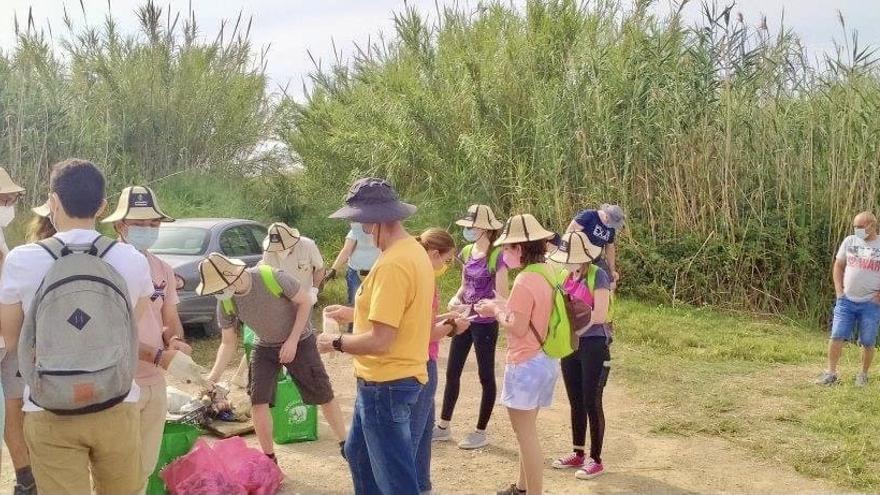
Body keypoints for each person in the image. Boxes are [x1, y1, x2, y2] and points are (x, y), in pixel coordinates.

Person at [0, 159, 153, 494]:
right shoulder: (132, 260)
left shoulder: (21, 261)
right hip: (116, 402)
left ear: (53, 202)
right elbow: (130, 329)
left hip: (49, 407)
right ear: (102, 206)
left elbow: (13, 340)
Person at [317, 178, 434, 495]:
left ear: (374, 219)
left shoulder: (394, 264)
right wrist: (353, 314)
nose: (360, 228)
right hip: (390, 380)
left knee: (396, 483)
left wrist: (335, 342)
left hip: (387, 384)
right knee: (358, 455)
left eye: (360, 221)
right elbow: (400, 314)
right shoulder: (412, 252)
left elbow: (381, 341)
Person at [200, 252, 348, 462]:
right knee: (257, 400)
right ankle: (269, 459)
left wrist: (292, 341)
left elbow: (305, 302)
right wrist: (212, 378)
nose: (219, 293)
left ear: (231, 275)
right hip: (265, 345)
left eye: (219, 287)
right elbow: (228, 342)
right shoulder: (225, 302)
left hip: (300, 339)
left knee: (323, 393)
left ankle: (346, 444)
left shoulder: (270, 277)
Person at [103, 185, 193, 491]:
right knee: (112, 470)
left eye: (153, 224)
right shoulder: (103, 266)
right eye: (139, 224)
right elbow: (110, 333)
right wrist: (156, 355)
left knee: (144, 468)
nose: (147, 230)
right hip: (116, 383)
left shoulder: (162, 269)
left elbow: (170, 318)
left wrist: (175, 341)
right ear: (120, 225)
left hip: (155, 383)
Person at [474, 214, 559, 495]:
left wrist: (495, 311)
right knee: (527, 432)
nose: (504, 253)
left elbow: (518, 325)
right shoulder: (546, 272)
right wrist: (502, 303)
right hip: (545, 357)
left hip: (524, 362)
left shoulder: (524, 280)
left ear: (519, 248)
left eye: (507, 247)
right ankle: (522, 488)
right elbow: (530, 312)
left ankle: (532, 491)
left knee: (525, 435)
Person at [434, 204, 509, 450]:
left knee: (485, 375)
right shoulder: (467, 250)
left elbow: (502, 295)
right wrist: (456, 299)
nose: (468, 229)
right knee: (452, 371)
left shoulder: (497, 256)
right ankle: (443, 425)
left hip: (485, 323)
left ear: (486, 228)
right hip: (464, 318)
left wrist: (488, 308)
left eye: (473, 225)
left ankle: (480, 431)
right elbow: (464, 283)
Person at [548, 232, 613, 480]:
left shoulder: (599, 275)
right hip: (571, 346)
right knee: (575, 401)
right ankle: (577, 453)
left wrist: (576, 334)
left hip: (595, 344)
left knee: (591, 401)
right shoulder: (566, 277)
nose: (569, 262)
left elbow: (600, 316)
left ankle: (595, 459)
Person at [413, 227, 471, 494]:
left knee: (424, 432)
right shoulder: (423, 280)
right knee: (416, 435)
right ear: (434, 253)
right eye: (446, 260)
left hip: (424, 360)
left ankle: (422, 486)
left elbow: (422, 323)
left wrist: (447, 318)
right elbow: (423, 333)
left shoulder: (417, 275)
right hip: (421, 361)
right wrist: (452, 327)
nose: (446, 266)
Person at [817, 211, 880, 387]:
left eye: (860, 227)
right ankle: (831, 373)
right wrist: (839, 292)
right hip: (846, 300)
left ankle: (863, 375)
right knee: (836, 335)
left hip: (871, 303)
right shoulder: (850, 241)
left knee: (868, 340)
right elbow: (838, 265)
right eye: (855, 226)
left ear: (872, 226)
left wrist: (878, 296)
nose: (856, 230)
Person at [0, 167, 33, 495]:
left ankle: (26, 478)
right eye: (3, 200)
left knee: (15, 408)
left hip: (9, 340)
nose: (8, 205)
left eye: (10, 200)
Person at [327, 221, 380, 331]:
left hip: (377, 272)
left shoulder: (382, 230)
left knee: (376, 303)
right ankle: (353, 331)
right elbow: (346, 250)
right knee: (355, 302)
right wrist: (334, 269)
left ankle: (373, 330)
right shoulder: (355, 231)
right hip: (356, 272)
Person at [567, 204, 625, 289]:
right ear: (606, 216)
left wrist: (612, 270)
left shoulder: (611, 228)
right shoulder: (589, 216)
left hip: (596, 257)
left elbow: (610, 248)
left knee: (611, 283)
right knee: (578, 284)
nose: (612, 226)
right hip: (579, 256)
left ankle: (601, 300)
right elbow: (570, 232)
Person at [261, 222, 326, 289]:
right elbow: (268, 277)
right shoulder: (268, 254)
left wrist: (314, 290)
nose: (280, 250)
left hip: (307, 293)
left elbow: (320, 269)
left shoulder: (308, 246)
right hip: (282, 295)